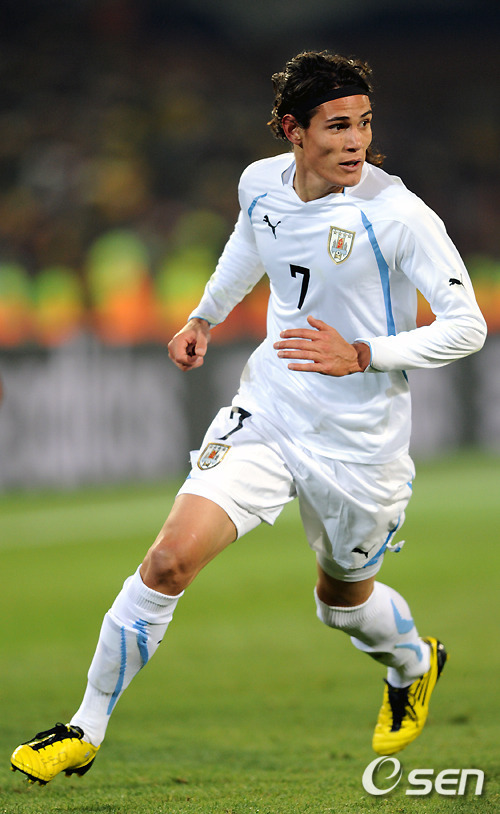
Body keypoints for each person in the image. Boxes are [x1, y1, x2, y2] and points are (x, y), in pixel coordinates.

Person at [11, 50, 487, 785]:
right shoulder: (261, 183)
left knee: (341, 603)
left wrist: (364, 353)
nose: (357, 141)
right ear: (294, 130)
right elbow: (251, 239)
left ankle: (413, 661)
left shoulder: (398, 215)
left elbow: (468, 327)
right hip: (270, 409)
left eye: (364, 123)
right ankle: (84, 727)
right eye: (337, 126)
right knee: (168, 561)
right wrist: (205, 314)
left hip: (360, 444)